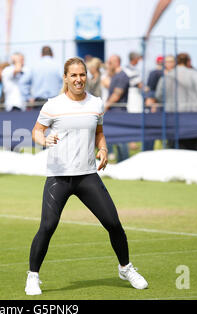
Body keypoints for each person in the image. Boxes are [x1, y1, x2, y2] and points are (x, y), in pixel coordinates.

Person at [26, 57, 148, 295]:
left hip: (87, 176)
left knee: (113, 223)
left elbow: (99, 132)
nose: (78, 79)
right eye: (73, 75)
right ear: (65, 78)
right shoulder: (53, 105)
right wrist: (45, 139)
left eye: (82, 75)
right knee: (48, 226)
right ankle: (33, 276)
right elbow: (36, 132)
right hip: (59, 177)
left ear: (86, 76)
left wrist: (102, 149)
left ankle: (125, 268)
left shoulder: (96, 103)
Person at [104, 54, 130, 163]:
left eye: (110, 63)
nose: (108, 65)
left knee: (121, 141)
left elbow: (117, 95)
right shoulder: (115, 76)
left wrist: (105, 106)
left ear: (116, 62)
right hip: (113, 112)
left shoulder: (122, 76)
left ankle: (124, 163)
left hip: (119, 112)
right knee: (114, 139)